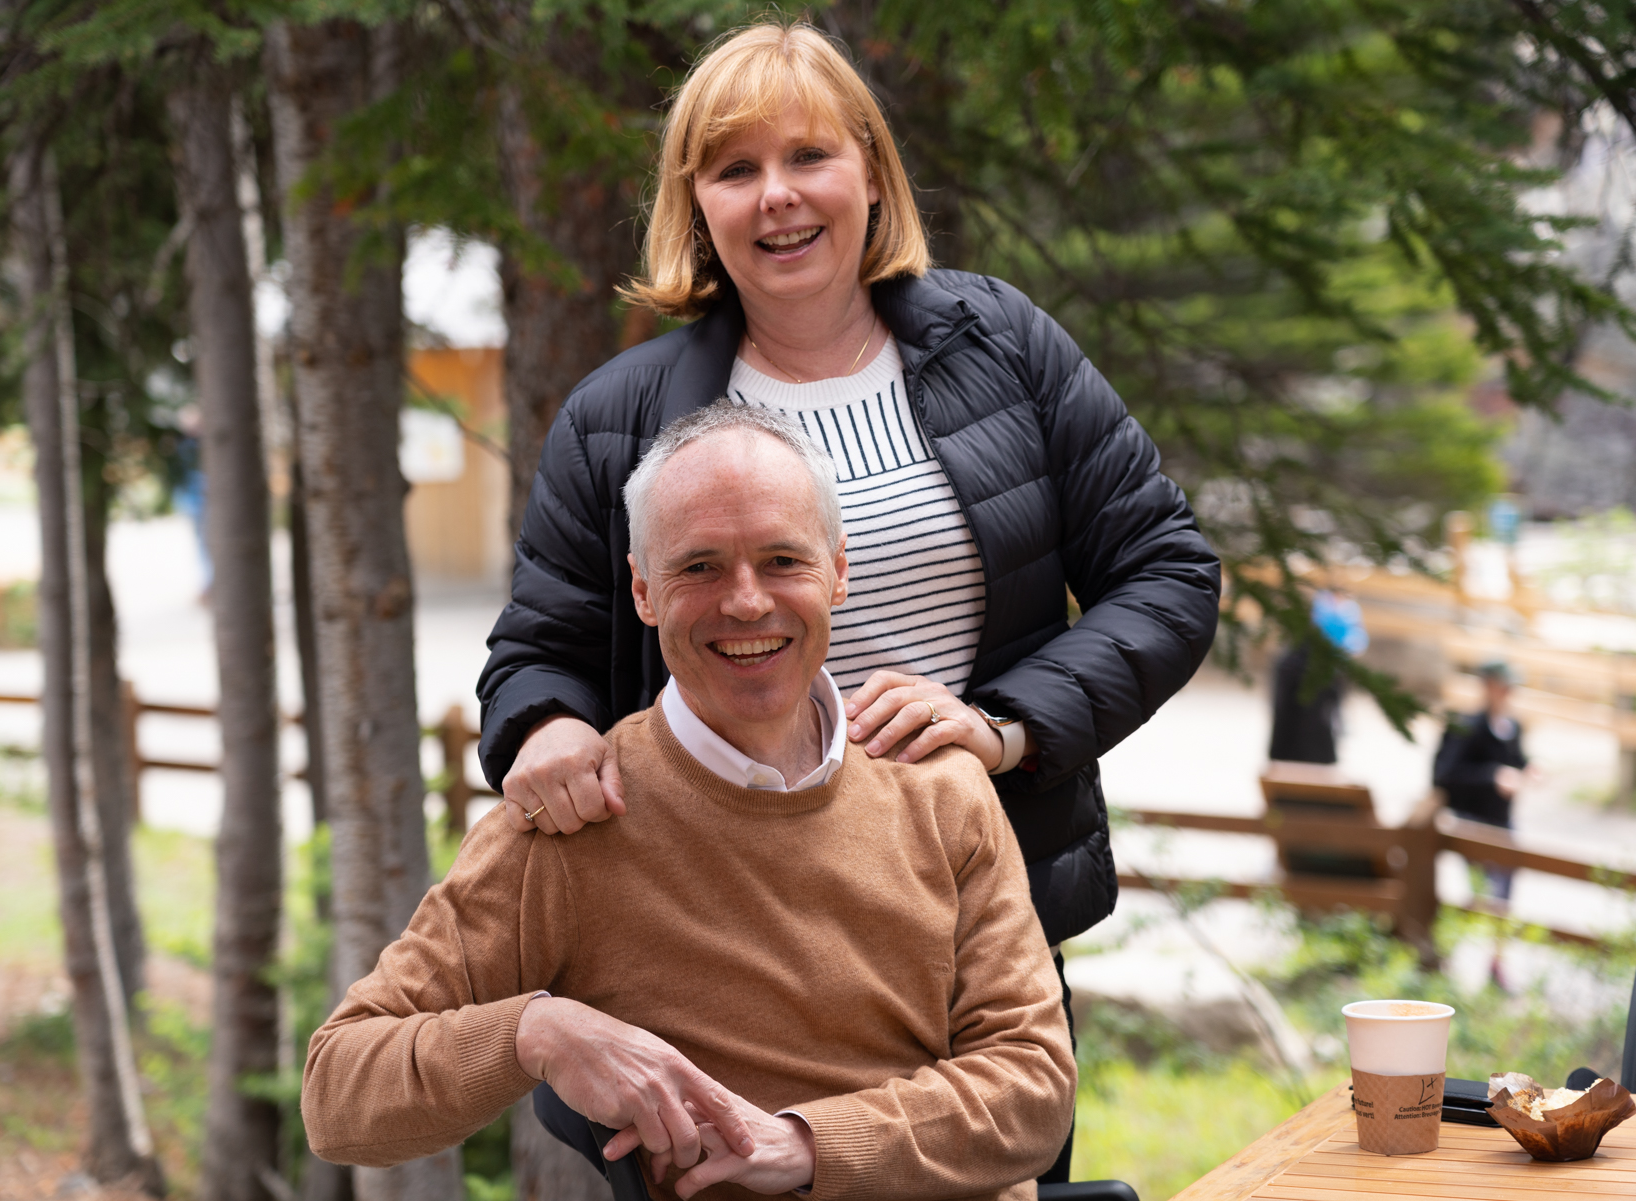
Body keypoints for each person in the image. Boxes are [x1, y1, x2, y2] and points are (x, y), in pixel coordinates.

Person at [475, 27, 1218, 1147]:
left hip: (969, 914)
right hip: (711, 947)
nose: (777, 198)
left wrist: (1005, 726)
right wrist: (540, 728)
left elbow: (1168, 571)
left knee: (993, 1162)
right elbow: (542, 646)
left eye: (808, 157)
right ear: (698, 206)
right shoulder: (618, 414)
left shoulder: (1002, 347)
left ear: (871, 172)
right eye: (735, 170)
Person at [305, 406, 1077, 1201]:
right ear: (642, 588)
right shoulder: (572, 817)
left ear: (839, 571)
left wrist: (809, 1144)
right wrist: (534, 1031)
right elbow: (338, 1093)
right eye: (699, 567)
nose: (746, 602)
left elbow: (1036, 1088)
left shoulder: (937, 783)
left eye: (782, 559)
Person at [1433, 659, 1531, 902]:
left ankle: (1496, 936)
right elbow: (1444, 775)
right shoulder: (1466, 727)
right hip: (1473, 818)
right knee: (1486, 890)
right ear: (1488, 686)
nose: (1509, 694)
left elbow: (1516, 761)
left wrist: (1530, 768)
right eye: (1505, 687)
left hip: (1502, 820)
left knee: (1505, 884)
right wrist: (1492, 776)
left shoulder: (1511, 726)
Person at [1267, 588, 1368, 764]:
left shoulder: (1349, 611)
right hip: (1314, 670)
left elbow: (1356, 640)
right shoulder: (1320, 608)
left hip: (1330, 669)